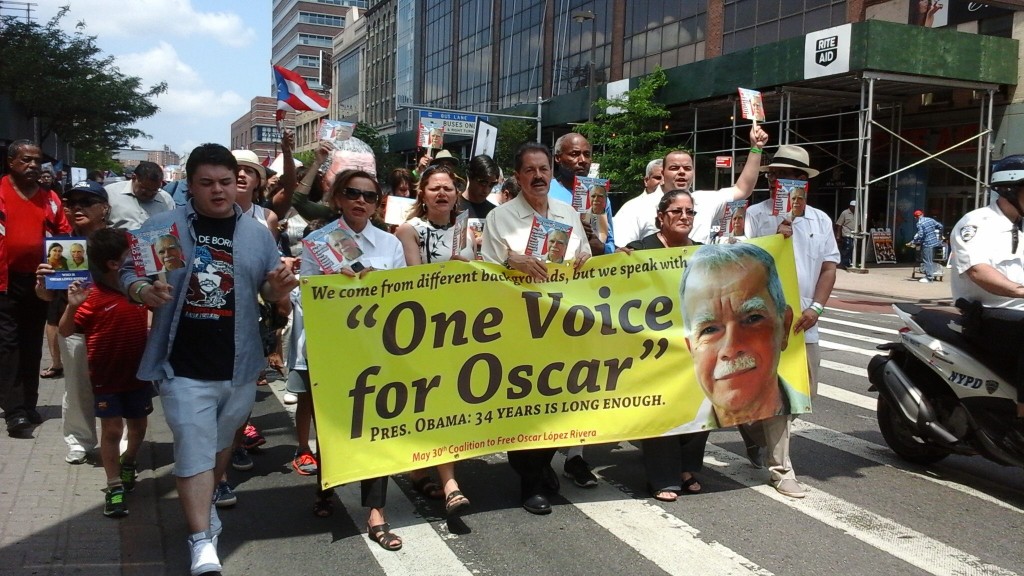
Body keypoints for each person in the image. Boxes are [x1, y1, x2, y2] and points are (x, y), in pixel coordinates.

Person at [120, 143, 296, 576]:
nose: (219, 191)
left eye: (224, 182)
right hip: (181, 364)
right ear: (190, 185)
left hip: (239, 364)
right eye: (207, 183)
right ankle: (201, 540)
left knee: (220, 444)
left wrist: (280, 286)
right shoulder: (162, 227)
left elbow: (269, 292)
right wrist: (142, 290)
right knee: (193, 447)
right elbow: (128, 273)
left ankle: (211, 491)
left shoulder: (257, 233)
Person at [481, 141, 591, 514]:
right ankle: (530, 483)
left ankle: (541, 462)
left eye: (543, 168)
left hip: (563, 324)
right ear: (518, 176)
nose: (538, 176)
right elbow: (486, 275)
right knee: (527, 403)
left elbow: (585, 256)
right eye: (530, 170)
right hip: (520, 326)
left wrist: (584, 260)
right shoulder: (501, 218)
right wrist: (514, 263)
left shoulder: (567, 213)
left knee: (560, 397)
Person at [299, 168, 406, 550]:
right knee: (334, 425)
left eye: (369, 195)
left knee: (377, 425)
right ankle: (326, 486)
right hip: (333, 350)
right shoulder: (317, 243)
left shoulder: (390, 245)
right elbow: (302, 298)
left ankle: (377, 513)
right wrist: (335, 285)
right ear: (338, 198)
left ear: (378, 204)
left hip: (378, 349)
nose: (361, 201)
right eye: (353, 193)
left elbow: (405, 297)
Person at [742, 144, 838, 498]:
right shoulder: (755, 215)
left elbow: (829, 267)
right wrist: (775, 234)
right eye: (776, 174)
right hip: (764, 320)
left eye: (792, 175)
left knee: (805, 393)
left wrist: (817, 308)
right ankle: (782, 469)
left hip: (805, 322)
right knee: (780, 395)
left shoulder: (821, 220)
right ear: (769, 179)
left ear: (803, 180)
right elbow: (741, 259)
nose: (782, 181)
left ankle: (752, 428)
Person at [620, 189, 711, 502]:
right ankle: (663, 478)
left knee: (700, 403)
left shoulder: (702, 252)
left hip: (694, 345)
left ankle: (688, 469)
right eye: (676, 211)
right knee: (661, 406)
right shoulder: (640, 250)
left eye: (690, 212)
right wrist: (619, 262)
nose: (684, 217)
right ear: (661, 217)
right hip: (653, 347)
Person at [394, 166, 473, 518]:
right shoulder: (409, 231)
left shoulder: (468, 232)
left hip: (462, 329)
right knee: (431, 403)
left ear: (457, 194)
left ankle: (423, 471)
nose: (442, 194)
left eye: (449, 189)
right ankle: (449, 483)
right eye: (435, 188)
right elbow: (415, 280)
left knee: (448, 405)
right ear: (421, 193)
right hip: (424, 330)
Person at [58, 228, 151, 518]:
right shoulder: (92, 296)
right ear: (113, 264)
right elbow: (65, 330)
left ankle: (129, 462)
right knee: (112, 430)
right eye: (131, 256)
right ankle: (114, 487)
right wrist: (72, 308)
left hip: (138, 374)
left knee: (138, 427)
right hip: (105, 376)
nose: (138, 260)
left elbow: (154, 310)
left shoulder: (139, 288)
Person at [949, 154, 1024, 446]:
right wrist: (1019, 291)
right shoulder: (977, 223)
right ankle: (1020, 427)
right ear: (1009, 189)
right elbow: (979, 271)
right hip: (990, 314)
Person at [34, 180, 111, 464]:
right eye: (72, 203)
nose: (77, 207)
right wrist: (42, 281)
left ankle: (122, 440)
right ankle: (79, 440)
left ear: (104, 208)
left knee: (117, 386)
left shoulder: (120, 242)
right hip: (75, 326)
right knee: (78, 387)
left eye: (86, 202)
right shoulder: (61, 246)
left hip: (114, 328)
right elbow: (44, 296)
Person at [1, 140, 72, 435]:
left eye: (36, 160)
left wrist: (61, 280)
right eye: (25, 160)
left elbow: (65, 236)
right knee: (7, 345)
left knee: (31, 344)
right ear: (11, 163)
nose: (32, 165)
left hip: (39, 283)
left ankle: (30, 404)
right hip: (4, 282)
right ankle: (14, 412)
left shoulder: (51, 199)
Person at [660, 126, 769, 244]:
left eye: (687, 168)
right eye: (674, 168)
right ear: (662, 173)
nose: (681, 172)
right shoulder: (641, 207)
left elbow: (743, 189)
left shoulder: (706, 201)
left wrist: (756, 148)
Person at [548, 132, 615, 255]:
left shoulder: (600, 196)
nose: (582, 160)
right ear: (558, 158)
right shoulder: (545, 193)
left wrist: (601, 247)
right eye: (574, 154)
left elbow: (610, 243)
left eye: (587, 154)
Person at [105, 161, 175, 231]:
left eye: (154, 190)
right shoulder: (110, 193)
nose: (149, 194)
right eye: (145, 189)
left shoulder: (166, 200)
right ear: (134, 178)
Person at [613, 159, 665, 247]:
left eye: (666, 178)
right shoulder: (631, 208)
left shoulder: (689, 204)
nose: (662, 182)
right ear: (646, 180)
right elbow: (623, 249)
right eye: (658, 178)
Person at [459, 155, 500, 219]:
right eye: (483, 183)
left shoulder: (494, 213)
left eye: (491, 185)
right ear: (470, 177)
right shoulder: (452, 208)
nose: (486, 190)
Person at [908, 209, 943, 283]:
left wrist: (914, 241)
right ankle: (930, 275)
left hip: (927, 243)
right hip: (935, 242)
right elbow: (940, 226)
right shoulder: (930, 220)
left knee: (927, 260)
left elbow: (920, 235)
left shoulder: (920, 223)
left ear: (916, 217)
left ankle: (929, 277)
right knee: (931, 260)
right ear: (922, 214)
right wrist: (938, 234)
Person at [834, 200, 856, 269]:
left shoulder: (857, 214)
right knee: (847, 248)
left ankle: (850, 262)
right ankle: (843, 263)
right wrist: (838, 235)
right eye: (853, 207)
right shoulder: (845, 213)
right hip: (847, 233)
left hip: (855, 234)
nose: (854, 208)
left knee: (853, 248)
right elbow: (839, 224)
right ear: (850, 206)